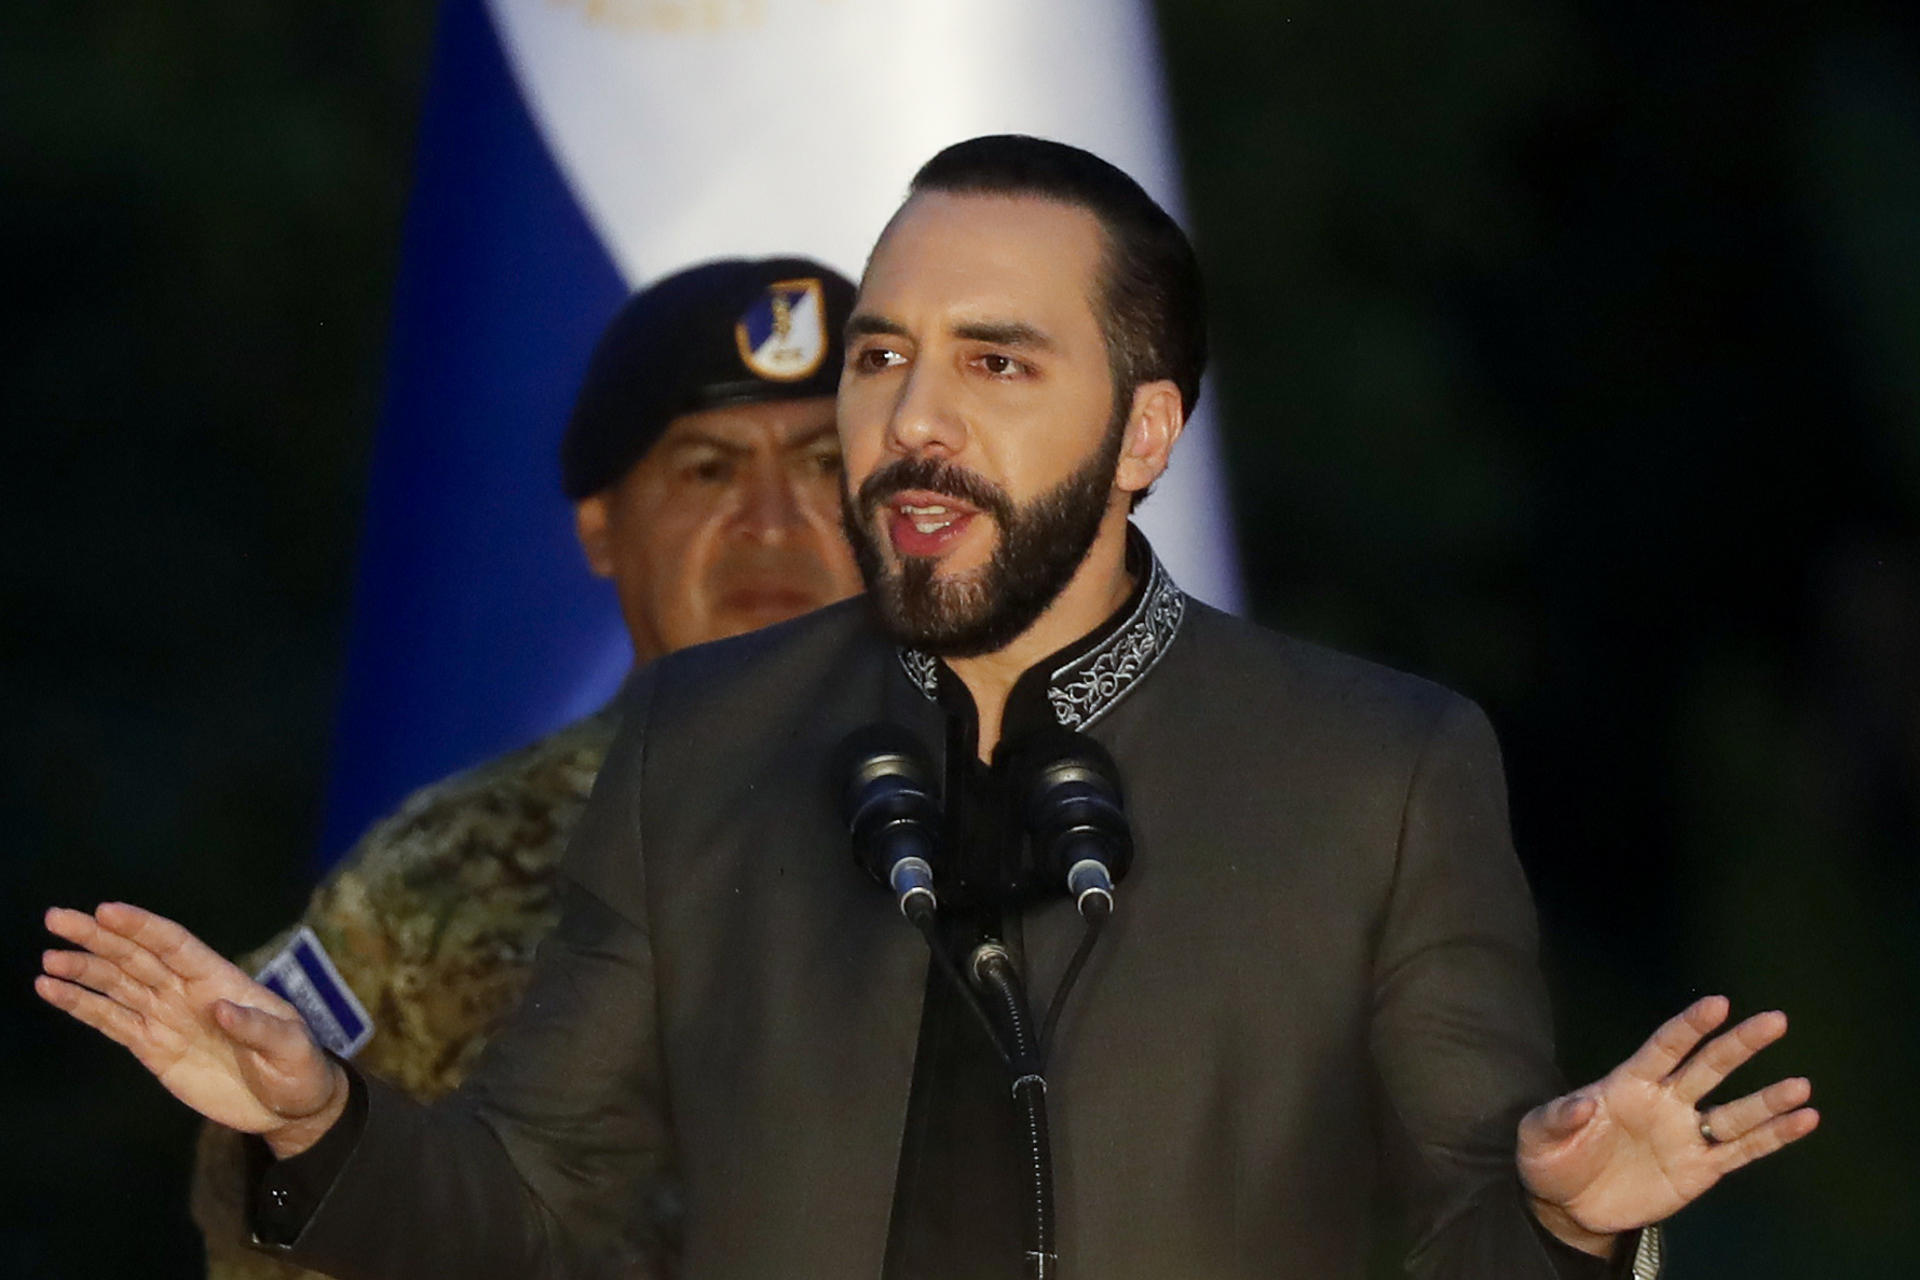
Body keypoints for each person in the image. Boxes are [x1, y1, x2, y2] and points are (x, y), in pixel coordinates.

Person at [38, 137, 1818, 1280]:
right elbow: (531, 1208)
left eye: (996, 360)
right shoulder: (704, 741)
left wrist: (1573, 1223)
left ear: (1144, 435)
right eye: (886, 356)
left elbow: (1461, 1233)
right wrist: (313, 1125)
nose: (909, 419)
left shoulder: (1379, 769)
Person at [188, 256, 866, 1279]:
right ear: (601, 528)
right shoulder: (433, 883)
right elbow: (270, 1236)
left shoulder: (1054, 823)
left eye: (825, 465)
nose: (774, 521)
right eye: (708, 469)